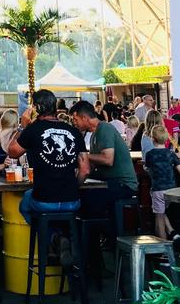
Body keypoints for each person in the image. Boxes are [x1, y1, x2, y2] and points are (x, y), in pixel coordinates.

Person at [8, 91, 89, 240]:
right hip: (72, 201)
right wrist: (72, 186)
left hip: (43, 199)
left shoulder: (32, 130)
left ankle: (53, 238)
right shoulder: (74, 131)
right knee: (59, 213)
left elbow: (12, 152)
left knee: (24, 205)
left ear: (36, 108)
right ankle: (62, 239)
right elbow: (85, 169)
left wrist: (22, 127)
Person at [69, 100, 138, 217]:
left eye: (75, 120)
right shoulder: (93, 136)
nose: (74, 123)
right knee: (79, 195)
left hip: (123, 184)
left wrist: (83, 155)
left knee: (88, 200)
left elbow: (108, 159)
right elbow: (89, 167)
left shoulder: (105, 128)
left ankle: (102, 232)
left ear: (84, 117)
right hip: (110, 182)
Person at [145, 124, 180, 240]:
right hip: (171, 190)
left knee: (159, 217)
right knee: (163, 211)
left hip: (158, 189)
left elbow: (148, 169)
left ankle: (164, 248)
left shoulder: (149, 155)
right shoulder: (171, 154)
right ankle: (172, 232)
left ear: (152, 138)